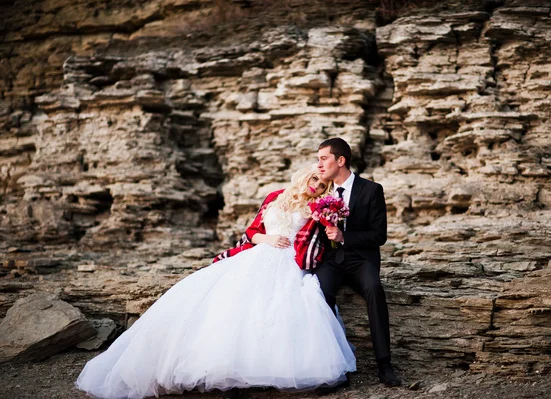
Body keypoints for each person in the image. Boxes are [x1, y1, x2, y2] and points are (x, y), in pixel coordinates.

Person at [76, 167, 356, 399]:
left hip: (287, 261)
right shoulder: (274, 196)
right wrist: (267, 239)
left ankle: (255, 373)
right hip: (260, 254)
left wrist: (327, 221)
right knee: (230, 305)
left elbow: (319, 242)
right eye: (315, 179)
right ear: (305, 175)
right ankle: (227, 376)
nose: (316, 185)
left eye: (322, 185)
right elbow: (252, 232)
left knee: (274, 309)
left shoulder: (316, 209)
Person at [315, 137, 402, 388]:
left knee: (374, 289)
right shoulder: (321, 191)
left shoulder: (371, 190)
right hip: (331, 261)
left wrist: (345, 236)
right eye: (318, 159)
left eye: (324, 158)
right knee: (319, 295)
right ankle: (335, 370)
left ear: (340, 160)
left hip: (361, 259)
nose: (319, 165)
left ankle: (385, 365)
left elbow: (379, 235)